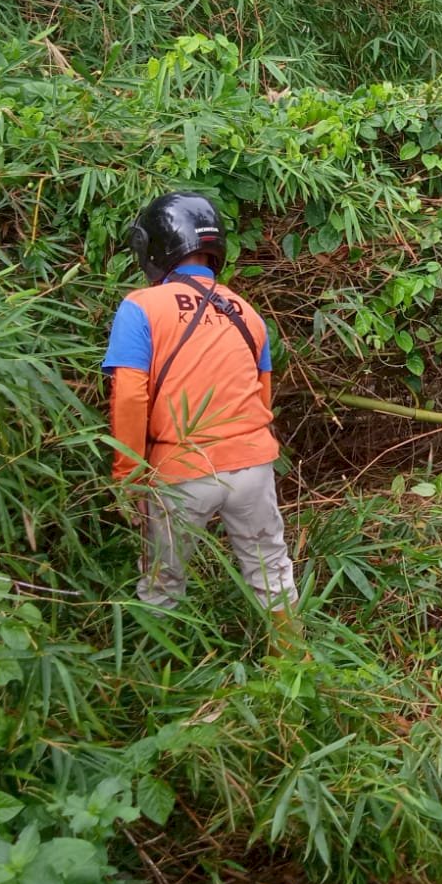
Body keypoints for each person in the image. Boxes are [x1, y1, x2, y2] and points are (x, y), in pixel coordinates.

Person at [102, 191, 303, 655]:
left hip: (179, 470)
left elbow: (130, 395)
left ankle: (163, 681)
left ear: (154, 247)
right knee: (271, 569)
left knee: (163, 581)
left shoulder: (142, 307)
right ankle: (294, 669)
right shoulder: (246, 313)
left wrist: (127, 474)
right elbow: (262, 397)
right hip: (253, 466)